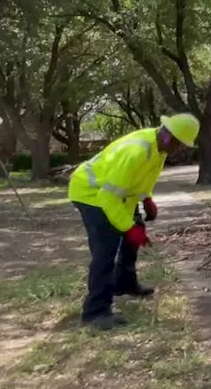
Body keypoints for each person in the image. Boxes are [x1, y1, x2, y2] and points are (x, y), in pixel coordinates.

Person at [68, 113, 200, 330]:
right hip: (90, 193)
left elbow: (142, 178)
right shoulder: (136, 151)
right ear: (168, 136)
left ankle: (124, 282)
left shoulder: (159, 147)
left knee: (136, 229)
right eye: (178, 143)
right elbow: (107, 198)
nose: (180, 149)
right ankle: (95, 312)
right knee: (105, 248)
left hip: (114, 196)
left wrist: (146, 198)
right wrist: (127, 228)